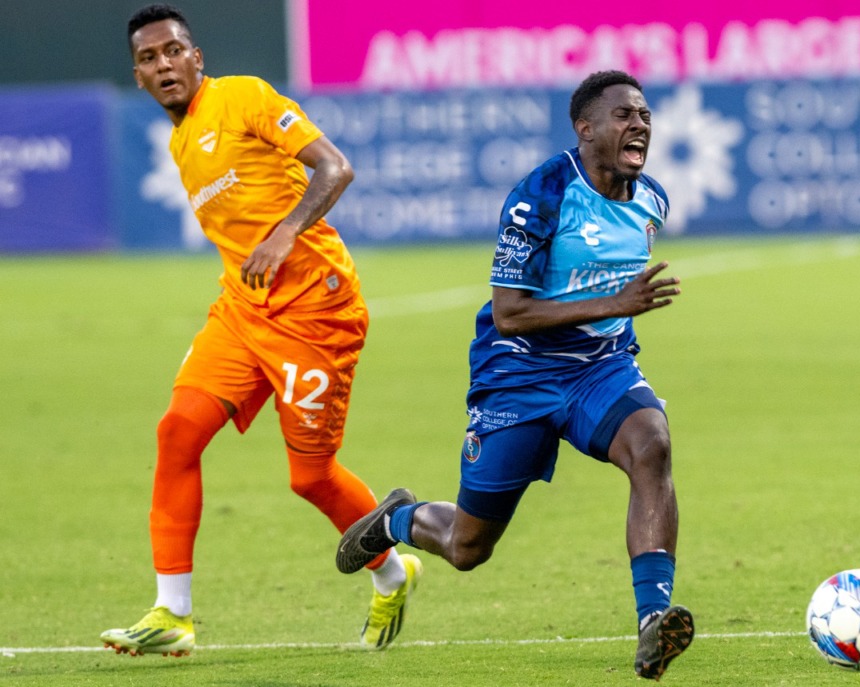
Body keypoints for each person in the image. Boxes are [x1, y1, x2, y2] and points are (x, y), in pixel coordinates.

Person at [336, 70, 692, 679]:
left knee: (651, 444)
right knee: (468, 548)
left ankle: (652, 623)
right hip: (519, 374)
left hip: (598, 369)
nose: (640, 124)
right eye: (624, 115)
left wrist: (614, 324)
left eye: (645, 116)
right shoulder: (542, 194)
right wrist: (615, 305)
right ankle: (399, 518)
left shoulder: (651, 200)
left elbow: (609, 297)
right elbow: (510, 313)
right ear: (585, 129)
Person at [101, 4, 421, 657]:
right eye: (149, 58)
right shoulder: (181, 139)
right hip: (245, 311)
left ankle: (390, 567)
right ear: (136, 76)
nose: (163, 65)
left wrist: (284, 232)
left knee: (309, 478)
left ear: (197, 58)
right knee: (177, 430)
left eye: (173, 51)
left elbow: (335, 168)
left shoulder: (243, 97)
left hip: (316, 314)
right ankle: (173, 611)